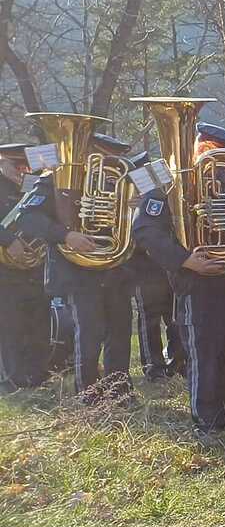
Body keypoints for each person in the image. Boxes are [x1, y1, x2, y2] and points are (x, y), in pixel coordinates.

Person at [132, 124, 225, 432]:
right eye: (213, 151)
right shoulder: (168, 183)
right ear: (201, 148)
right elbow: (145, 230)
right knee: (204, 351)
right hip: (195, 281)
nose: (219, 161)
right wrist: (185, 261)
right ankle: (207, 420)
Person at [16, 131, 137, 397]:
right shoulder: (55, 178)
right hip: (78, 271)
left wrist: (134, 207)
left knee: (120, 332)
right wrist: (66, 235)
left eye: (111, 156)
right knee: (89, 333)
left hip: (116, 268)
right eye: (100, 154)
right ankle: (89, 395)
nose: (107, 160)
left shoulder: (122, 180)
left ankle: (119, 393)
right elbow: (26, 217)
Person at [128, 151, 184, 383]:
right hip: (143, 264)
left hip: (170, 261)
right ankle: (153, 367)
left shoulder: (167, 191)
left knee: (175, 315)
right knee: (149, 317)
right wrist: (131, 208)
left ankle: (178, 360)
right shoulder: (127, 193)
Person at [0, 142, 51, 390]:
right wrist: (8, 240)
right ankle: (13, 378)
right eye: (16, 166)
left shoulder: (37, 186)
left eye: (26, 166)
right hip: (5, 269)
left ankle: (37, 375)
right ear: (2, 163)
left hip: (36, 265)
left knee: (38, 321)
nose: (22, 171)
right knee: (10, 323)